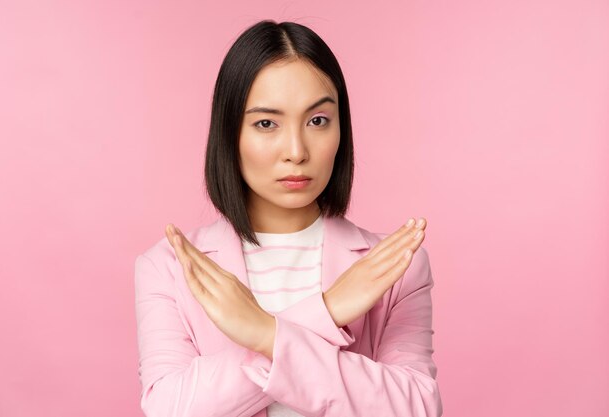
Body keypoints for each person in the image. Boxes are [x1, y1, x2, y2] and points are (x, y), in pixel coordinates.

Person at [134, 19, 443, 417]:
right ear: (230, 133)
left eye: (317, 121)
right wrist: (325, 312)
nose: (296, 150)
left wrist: (265, 333)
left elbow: (416, 408)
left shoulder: (397, 264)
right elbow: (170, 409)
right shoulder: (167, 267)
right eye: (266, 123)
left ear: (340, 129)